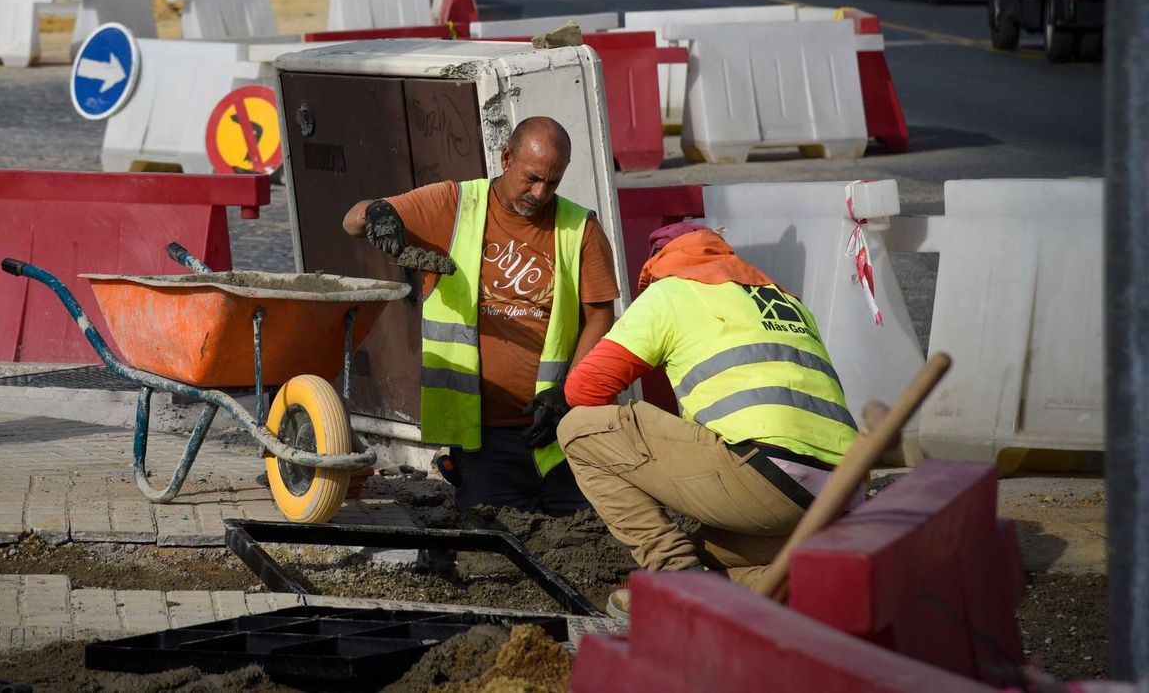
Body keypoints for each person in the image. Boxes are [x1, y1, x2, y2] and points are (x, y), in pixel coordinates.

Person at [552, 221, 859, 613]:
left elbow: (585, 390)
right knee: (704, 552)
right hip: (839, 499)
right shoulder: (786, 300)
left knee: (579, 430)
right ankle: (784, 587)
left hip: (763, 479)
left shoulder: (672, 290)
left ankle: (677, 581)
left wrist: (647, 458)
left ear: (658, 263)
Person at [341, 117, 619, 514]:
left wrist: (568, 394)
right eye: (532, 178)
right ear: (506, 157)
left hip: (559, 429)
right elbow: (353, 219)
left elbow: (599, 316)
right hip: (484, 437)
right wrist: (379, 214)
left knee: (580, 538)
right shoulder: (456, 205)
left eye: (552, 183)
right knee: (497, 540)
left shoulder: (580, 228)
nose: (539, 193)